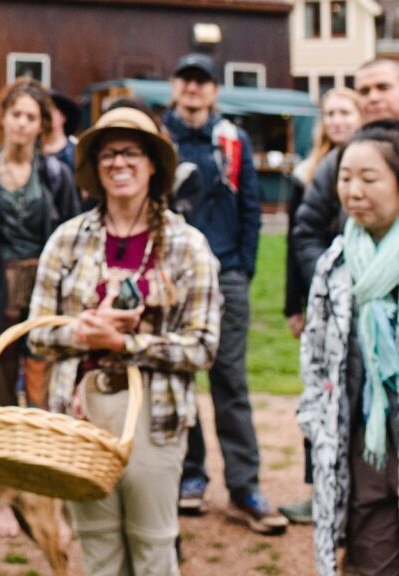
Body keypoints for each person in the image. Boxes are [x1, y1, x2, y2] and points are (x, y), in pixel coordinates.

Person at [27, 107, 221, 575]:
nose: (119, 163)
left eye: (131, 151)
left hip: (155, 415)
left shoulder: (188, 245)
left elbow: (202, 346)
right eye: (108, 154)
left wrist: (126, 345)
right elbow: (37, 335)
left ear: (153, 163)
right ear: (95, 167)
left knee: (154, 547)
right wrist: (81, 331)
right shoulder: (67, 240)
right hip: (81, 415)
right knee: (98, 549)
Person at [161, 53, 286, 534]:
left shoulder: (233, 140)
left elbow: (252, 207)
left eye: (202, 81)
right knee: (179, 378)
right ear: (175, 87)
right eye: (186, 80)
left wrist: (243, 268)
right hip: (174, 277)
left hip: (227, 271)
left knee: (230, 382)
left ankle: (244, 486)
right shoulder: (161, 138)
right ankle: (190, 477)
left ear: (214, 90)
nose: (194, 89)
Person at [297, 121, 399, 576]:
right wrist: (315, 417)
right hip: (364, 436)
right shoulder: (336, 262)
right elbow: (314, 352)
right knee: (370, 548)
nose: (353, 191)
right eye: (345, 177)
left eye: (370, 179)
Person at [0, 78, 80, 409]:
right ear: (3, 118)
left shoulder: (56, 177)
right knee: (0, 382)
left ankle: (42, 452)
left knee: (43, 382)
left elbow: (73, 242)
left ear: (41, 125)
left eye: (31, 117)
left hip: (44, 292)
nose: (22, 123)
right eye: (17, 114)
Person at [279, 87, 361, 525]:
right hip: (322, 296)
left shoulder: (378, 163)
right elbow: (297, 242)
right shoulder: (308, 174)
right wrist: (297, 304)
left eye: (346, 111)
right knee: (320, 395)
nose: (338, 120)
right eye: (330, 113)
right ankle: (318, 491)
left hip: (367, 293)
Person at [292, 59, 399, 291]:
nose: (373, 97)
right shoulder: (341, 160)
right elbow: (308, 231)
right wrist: (334, 285)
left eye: (383, 87)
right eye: (364, 91)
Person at [42, 89, 81, 175]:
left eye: (50, 110)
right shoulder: (32, 151)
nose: (45, 116)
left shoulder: (77, 153)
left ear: (63, 116)